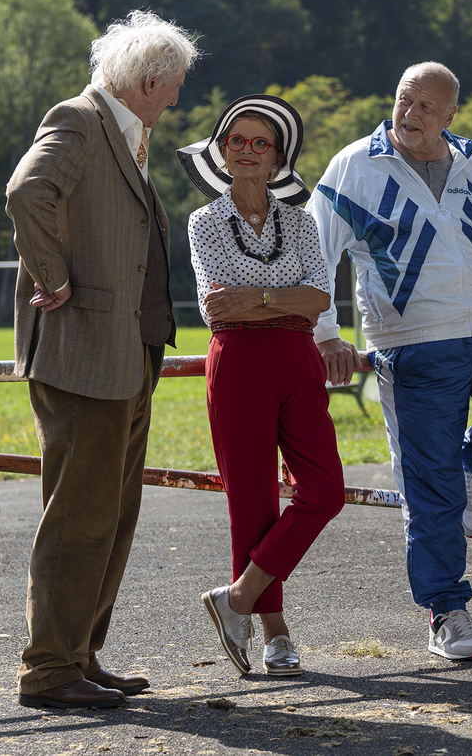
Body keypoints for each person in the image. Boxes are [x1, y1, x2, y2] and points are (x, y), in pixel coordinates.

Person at [309, 62, 472, 661]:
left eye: (427, 107)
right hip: (414, 343)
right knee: (431, 490)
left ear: (451, 115)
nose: (411, 115)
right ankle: (445, 610)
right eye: (404, 100)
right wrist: (325, 334)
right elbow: (316, 250)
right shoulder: (355, 165)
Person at [6, 11, 199, 708]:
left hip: (126, 351)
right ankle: (49, 670)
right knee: (79, 514)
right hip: (84, 351)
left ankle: (80, 655)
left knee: (112, 512)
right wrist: (52, 280)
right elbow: (28, 193)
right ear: (148, 81)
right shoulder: (82, 119)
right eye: (173, 86)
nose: (176, 100)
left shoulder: (125, 129)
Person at [177, 95, 344, 677]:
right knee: (251, 498)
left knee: (324, 490)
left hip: (297, 359)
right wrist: (279, 298)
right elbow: (215, 308)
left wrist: (258, 299)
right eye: (235, 141)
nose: (246, 151)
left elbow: (318, 299)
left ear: (278, 158)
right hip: (237, 362)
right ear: (221, 152)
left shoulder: (299, 221)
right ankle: (275, 635)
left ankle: (239, 596)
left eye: (260, 143)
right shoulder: (203, 222)